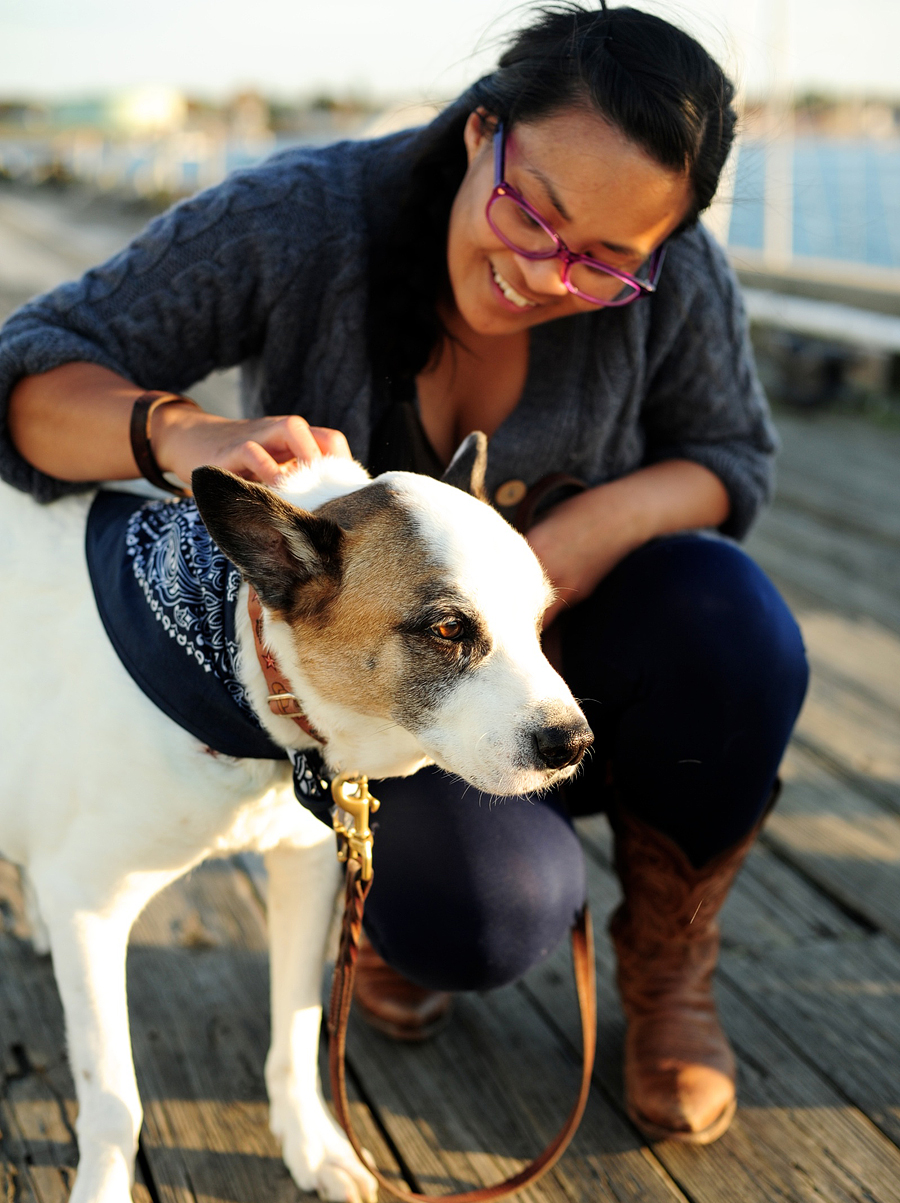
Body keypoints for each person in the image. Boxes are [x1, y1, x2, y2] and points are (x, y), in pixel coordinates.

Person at [0, 2, 808, 1145]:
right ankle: (405, 913)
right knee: (488, 922)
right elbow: (23, 382)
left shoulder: (672, 279)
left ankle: (670, 966)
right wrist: (178, 436)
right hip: (385, 705)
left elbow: (730, 458)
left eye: (604, 264)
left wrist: (568, 548)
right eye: (533, 214)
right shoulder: (298, 219)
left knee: (733, 620)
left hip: (577, 664)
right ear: (482, 133)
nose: (544, 270)